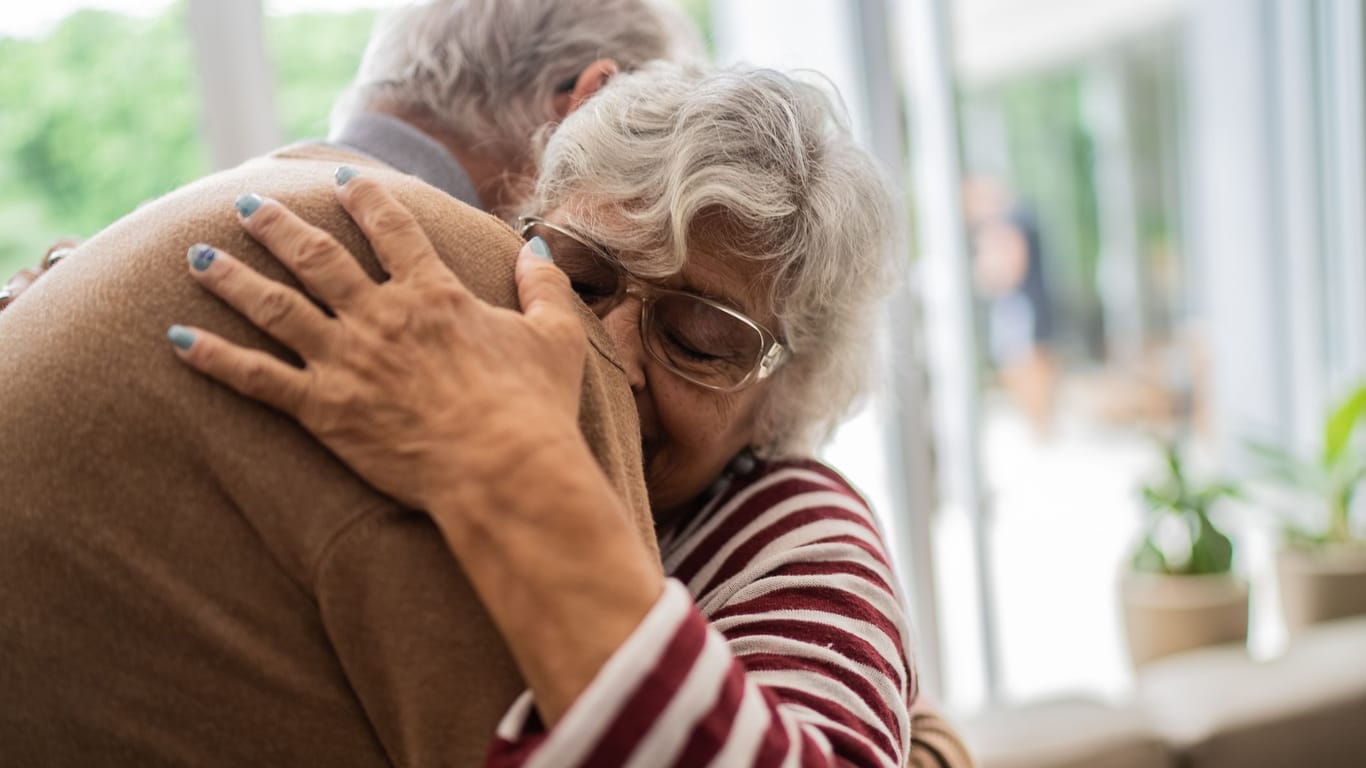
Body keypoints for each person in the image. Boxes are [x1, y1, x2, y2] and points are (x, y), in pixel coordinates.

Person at [167, 61, 920, 767]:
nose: (612, 358)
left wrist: (507, 465)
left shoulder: (799, 531)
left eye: (698, 341)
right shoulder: (395, 401)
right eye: (580, 279)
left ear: (783, 399)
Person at [0, 1, 692, 765]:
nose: (629, 352)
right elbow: (623, 731)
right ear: (590, 106)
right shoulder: (508, 313)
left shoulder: (127, 246)